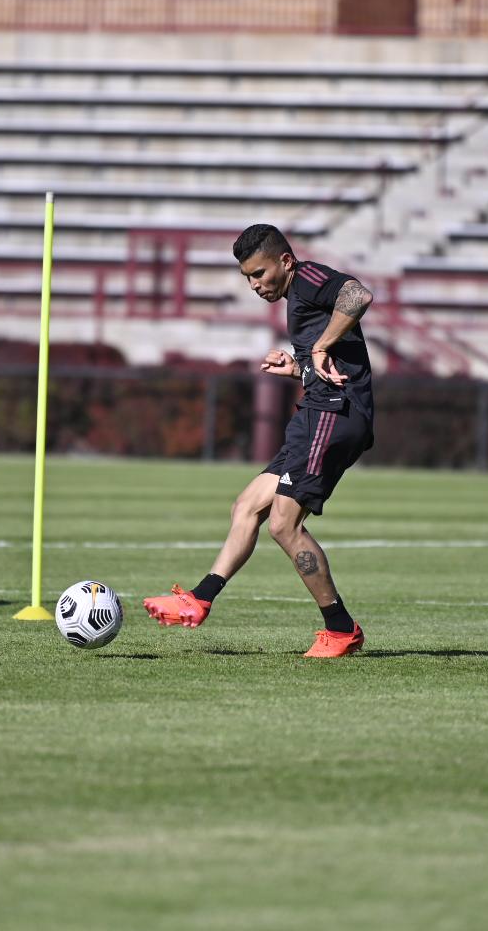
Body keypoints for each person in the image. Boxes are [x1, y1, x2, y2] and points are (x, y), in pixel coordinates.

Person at [143, 224, 374, 657]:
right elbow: (331, 362)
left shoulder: (307, 277)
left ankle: (341, 629)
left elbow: (358, 295)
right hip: (318, 409)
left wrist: (320, 347)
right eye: (247, 277)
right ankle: (200, 598)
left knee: (284, 524)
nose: (254, 285)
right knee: (246, 505)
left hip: (333, 413)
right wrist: (299, 368)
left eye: (259, 273)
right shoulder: (298, 295)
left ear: (285, 261)